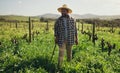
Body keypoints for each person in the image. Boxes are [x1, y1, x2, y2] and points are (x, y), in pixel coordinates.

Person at [54, 4, 78, 68]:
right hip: (61, 39)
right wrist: (56, 38)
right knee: (61, 54)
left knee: (69, 54)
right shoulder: (58, 20)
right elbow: (56, 29)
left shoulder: (72, 19)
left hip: (70, 39)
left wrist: (76, 39)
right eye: (62, 11)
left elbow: (75, 29)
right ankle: (59, 67)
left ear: (67, 11)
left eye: (64, 11)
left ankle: (68, 66)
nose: (62, 12)